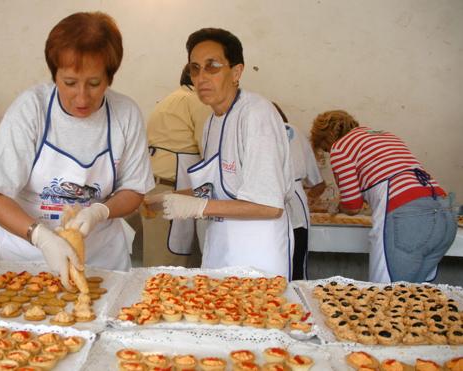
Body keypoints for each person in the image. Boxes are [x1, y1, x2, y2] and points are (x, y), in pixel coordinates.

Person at [0, 12, 154, 288]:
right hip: (27, 259)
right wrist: (40, 236)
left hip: (101, 261)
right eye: (70, 82)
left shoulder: (125, 114)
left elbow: (134, 189)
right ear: (54, 74)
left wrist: (99, 211)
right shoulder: (31, 108)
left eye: (94, 83)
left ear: (110, 77)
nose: (82, 97)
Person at [147, 28, 294, 277]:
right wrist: (167, 197)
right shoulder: (211, 122)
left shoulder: (256, 115)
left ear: (236, 72)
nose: (201, 77)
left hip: (257, 251)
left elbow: (270, 206)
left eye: (212, 66)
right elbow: (218, 186)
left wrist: (199, 207)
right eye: (195, 68)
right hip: (220, 244)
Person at [310, 110, 457, 283]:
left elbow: (352, 206)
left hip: (408, 219)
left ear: (326, 139)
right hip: (445, 213)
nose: (328, 152)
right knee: (419, 297)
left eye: (325, 149)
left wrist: (336, 206)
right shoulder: (386, 135)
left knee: (388, 295)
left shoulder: (340, 147)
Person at [142, 64, 211, 267]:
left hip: (159, 186)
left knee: (161, 264)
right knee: (169, 267)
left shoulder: (172, 99)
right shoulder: (196, 101)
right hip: (173, 190)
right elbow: (212, 150)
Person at [273, 103, 324, 280]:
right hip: (294, 197)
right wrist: (312, 197)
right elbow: (317, 183)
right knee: (297, 264)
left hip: (262, 200)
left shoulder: (253, 133)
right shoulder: (294, 131)